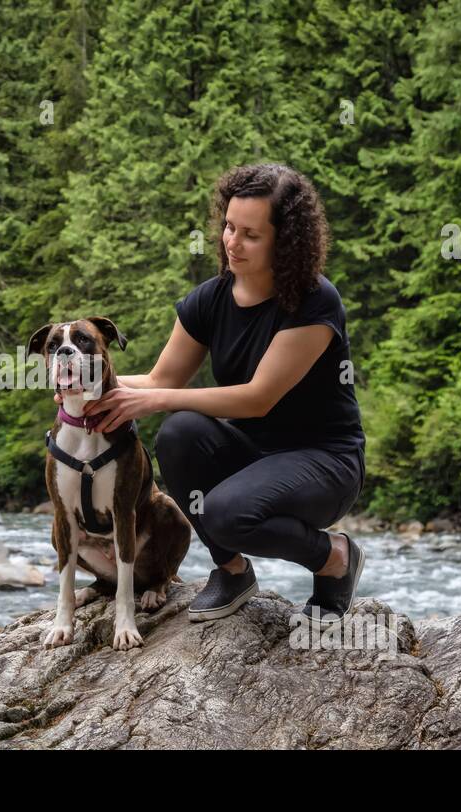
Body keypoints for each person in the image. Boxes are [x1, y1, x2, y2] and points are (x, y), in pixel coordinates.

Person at [65, 162, 367, 625]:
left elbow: (257, 398)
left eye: (250, 234)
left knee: (225, 511)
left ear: (285, 242)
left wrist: (156, 399)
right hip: (252, 453)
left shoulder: (314, 301)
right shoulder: (209, 299)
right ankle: (232, 571)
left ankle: (334, 558)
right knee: (179, 433)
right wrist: (87, 388)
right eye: (228, 226)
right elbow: (161, 380)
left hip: (324, 461)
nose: (232, 242)